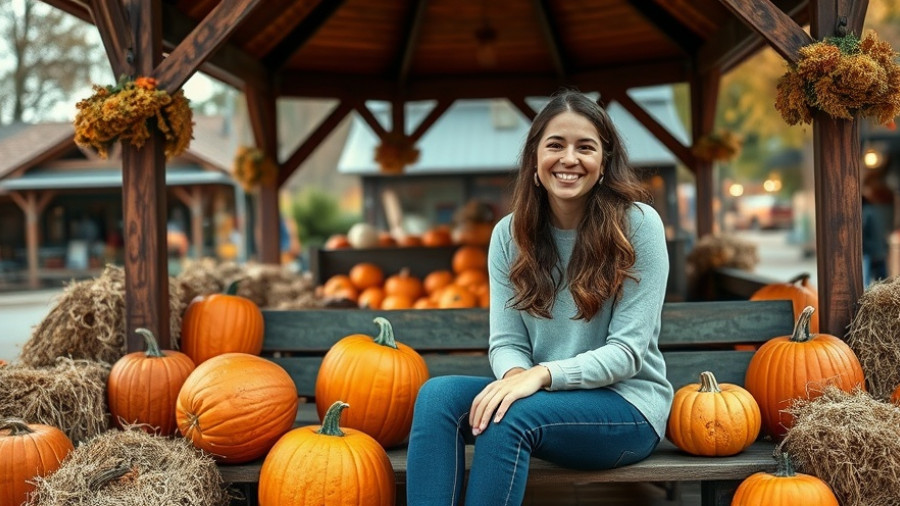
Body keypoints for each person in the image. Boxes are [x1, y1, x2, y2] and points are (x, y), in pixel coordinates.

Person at [405, 89, 672, 505]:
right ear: (534, 160)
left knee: (509, 416)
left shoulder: (637, 226)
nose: (569, 158)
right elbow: (507, 342)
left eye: (585, 147)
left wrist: (540, 377)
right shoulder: (509, 235)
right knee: (437, 397)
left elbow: (627, 352)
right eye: (555, 145)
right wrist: (515, 377)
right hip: (544, 402)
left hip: (626, 410)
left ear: (603, 163)